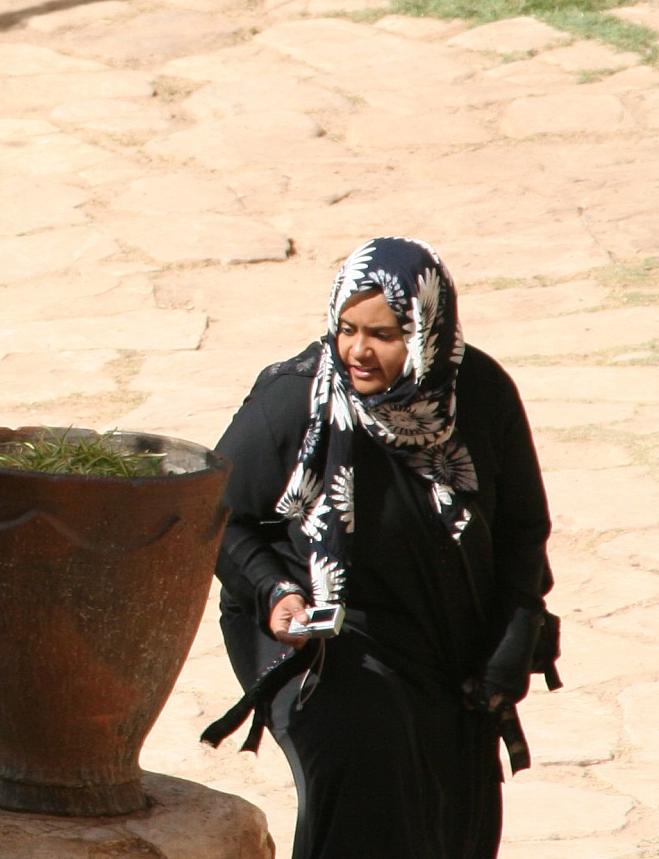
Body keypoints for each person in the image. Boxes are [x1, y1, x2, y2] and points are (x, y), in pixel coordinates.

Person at [209, 238, 553, 859]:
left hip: (446, 631)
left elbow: (522, 530)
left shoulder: (479, 393)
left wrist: (515, 627)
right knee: (364, 763)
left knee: (456, 802)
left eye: (383, 334)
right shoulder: (295, 401)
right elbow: (215, 516)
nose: (358, 352)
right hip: (323, 634)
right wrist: (275, 590)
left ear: (424, 331)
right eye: (347, 330)